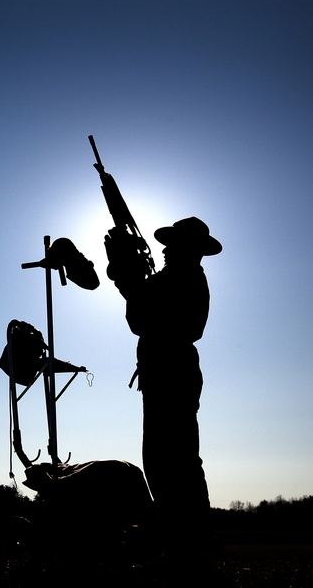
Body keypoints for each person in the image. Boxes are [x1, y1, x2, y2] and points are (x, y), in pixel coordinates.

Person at [104, 216, 221, 548]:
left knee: (174, 460)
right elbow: (139, 311)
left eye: (175, 244)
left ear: (190, 250)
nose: (167, 249)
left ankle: (189, 539)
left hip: (172, 372)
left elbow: (144, 317)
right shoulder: (174, 278)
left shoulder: (184, 279)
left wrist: (127, 273)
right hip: (166, 372)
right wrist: (127, 274)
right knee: (168, 459)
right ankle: (183, 537)